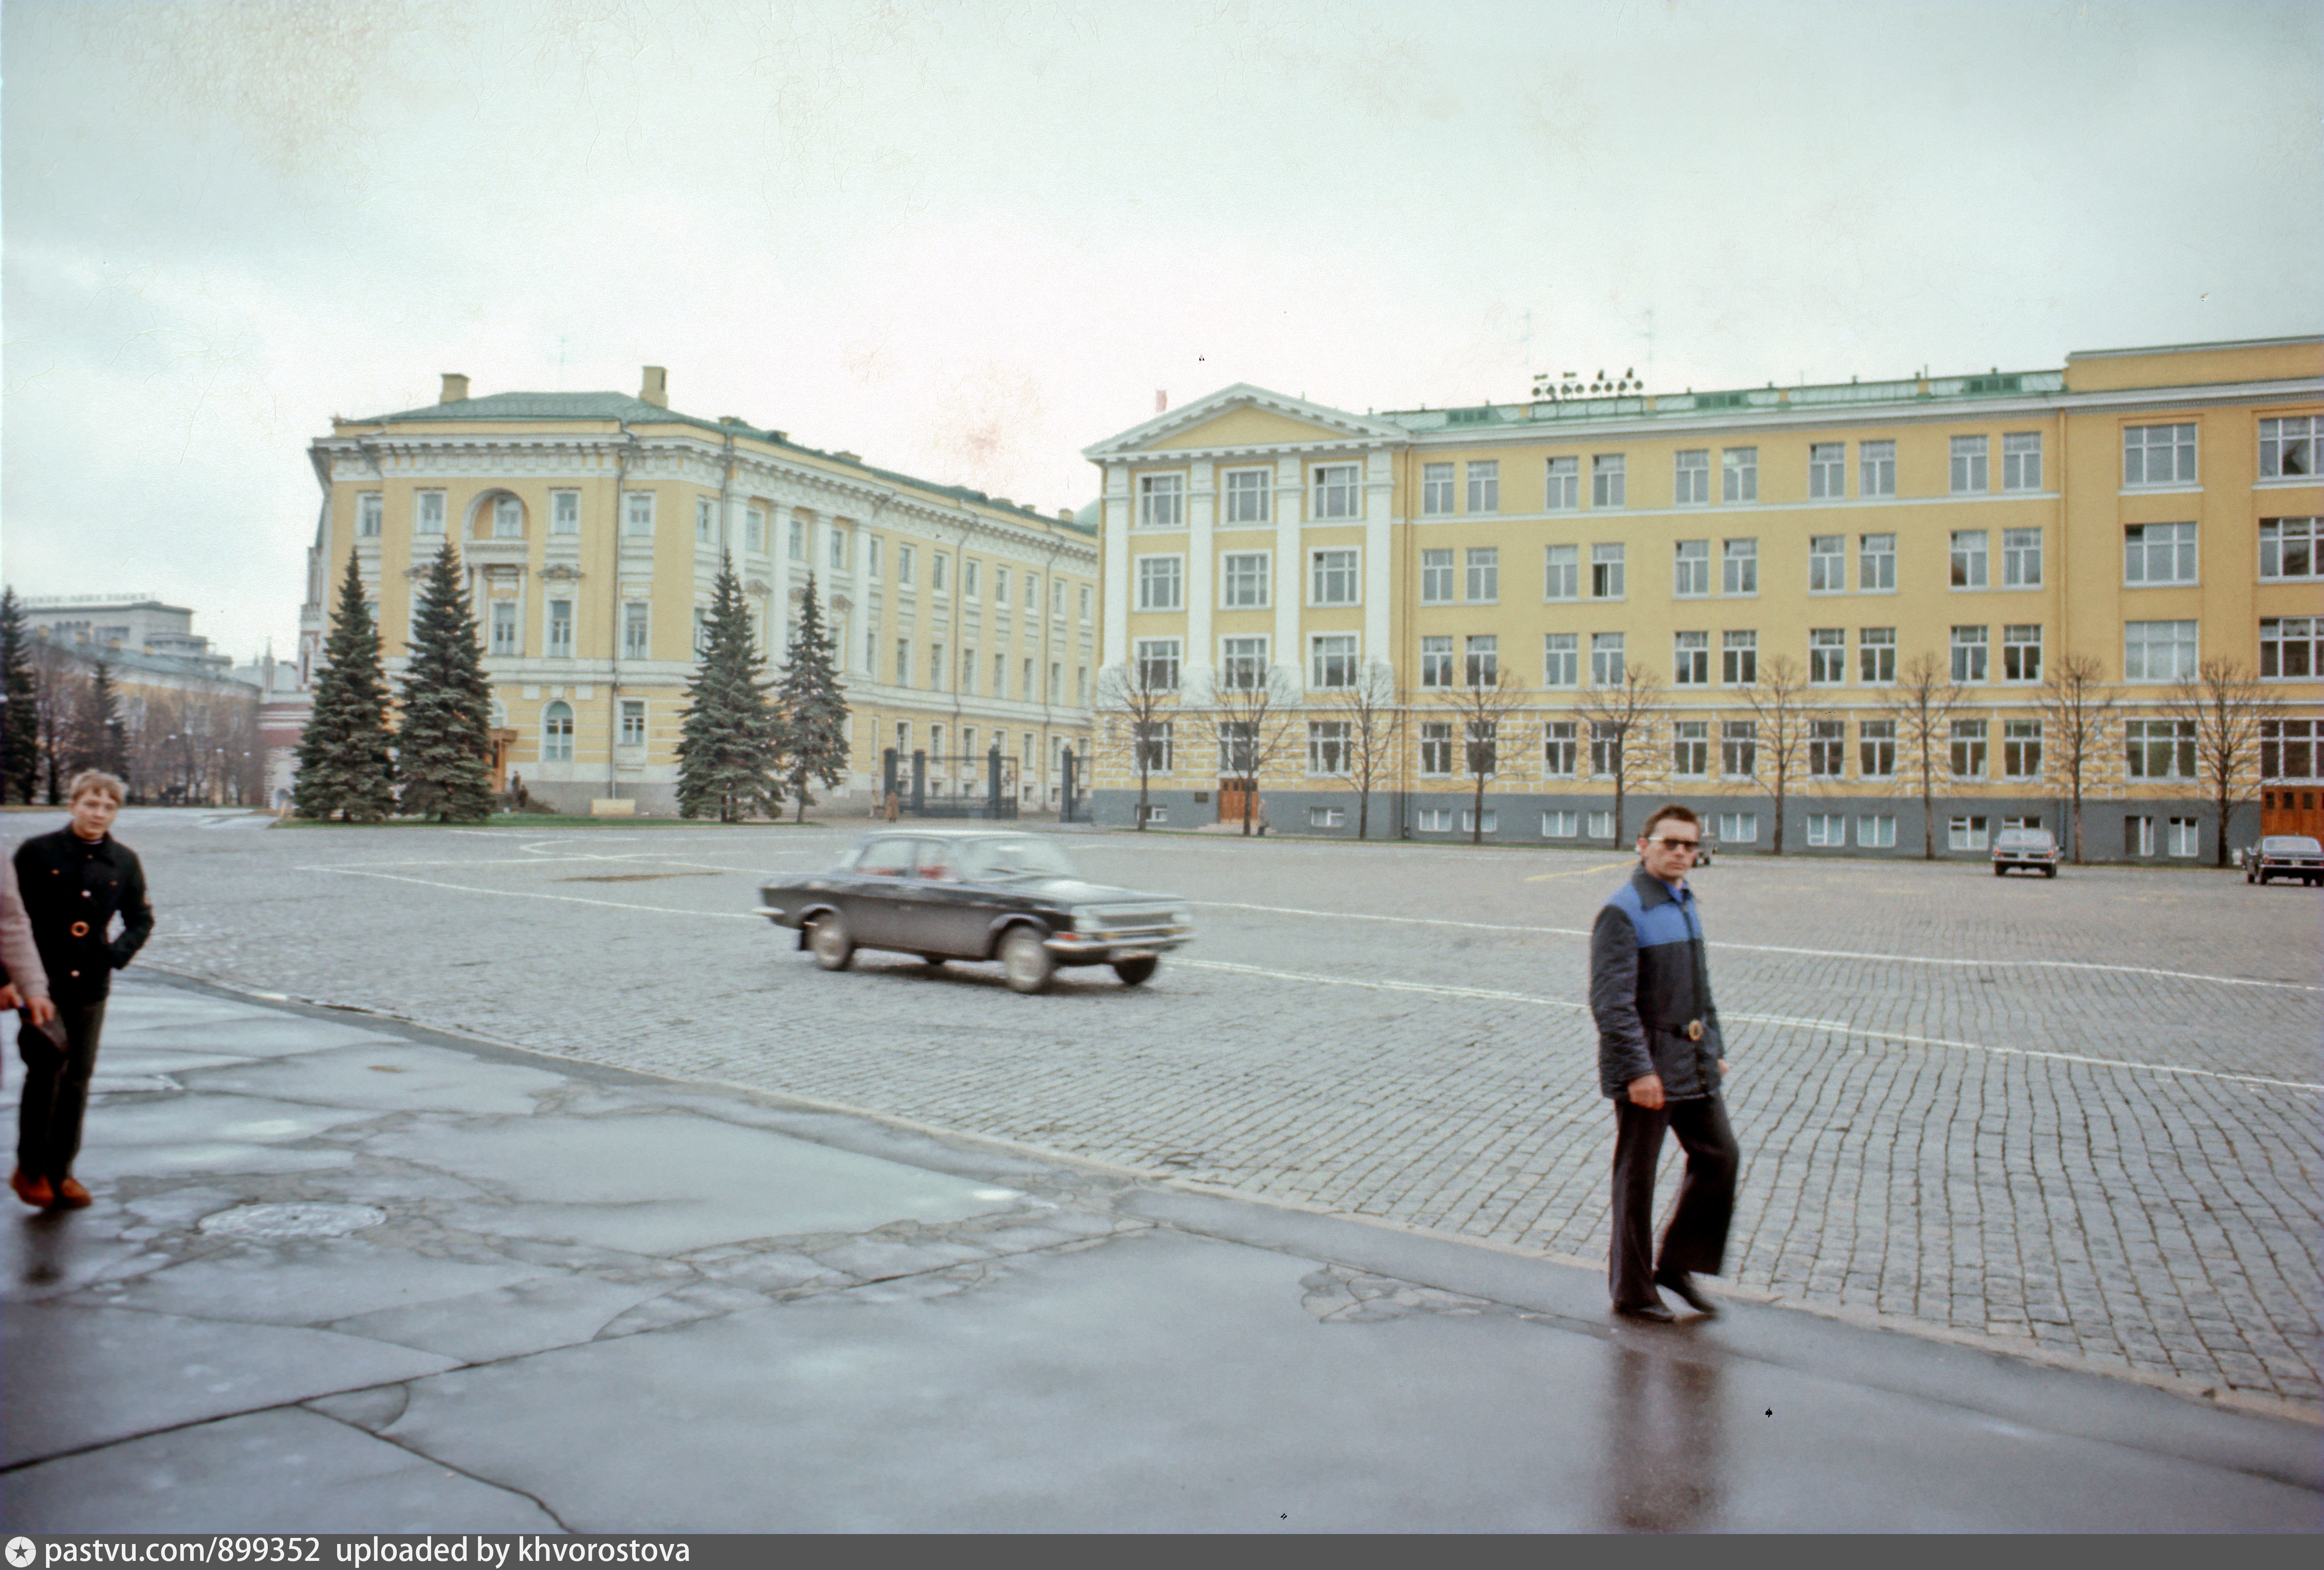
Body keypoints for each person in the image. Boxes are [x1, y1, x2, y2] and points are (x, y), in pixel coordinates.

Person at [1588, 802, 1738, 1323]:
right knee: (1638, 1178)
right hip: (1648, 1069)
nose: (1681, 852)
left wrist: (1713, 1048)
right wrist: (1638, 1071)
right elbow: (1611, 1003)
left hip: (1691, 1062)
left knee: (1721, 1156)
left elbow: (1702, 989)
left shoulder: (1685, 901)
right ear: (1643, 844)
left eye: (1690, 845)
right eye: (1670, 842)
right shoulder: (1624, 910)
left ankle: (1677, 1264)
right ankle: (1632, 1289)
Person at [12, 770, 153, 1210]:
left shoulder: (124, 861)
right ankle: (30, 1169)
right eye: (91, 804)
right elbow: (8, 918)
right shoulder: (37, 853)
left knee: (78, 1078)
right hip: (42, 982)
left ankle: (62, 1171)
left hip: (91, 983)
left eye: (108, 807)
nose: (98, 814)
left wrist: (113, 955)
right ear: (72, 804)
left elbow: (141, 918)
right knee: (45, 1071)